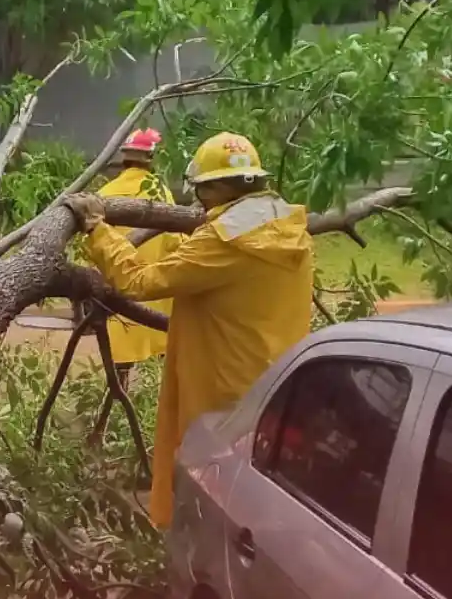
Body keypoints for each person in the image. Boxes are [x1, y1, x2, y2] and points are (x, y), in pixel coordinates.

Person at [65, 132, 314, 529]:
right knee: (257, 493)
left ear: (216, 189)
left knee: (210, 500)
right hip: (277, 390)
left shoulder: (222, 242)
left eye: (201, 190)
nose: (199, 200)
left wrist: (97, 228)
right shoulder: (289, 224)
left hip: (221, 398)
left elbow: (140, 280)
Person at [87, 128, 185, 441]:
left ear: (123, 159)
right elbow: (176, 243)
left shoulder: (105, 194)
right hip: (156, 295)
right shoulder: (161, 194)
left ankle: (100, 431)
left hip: (118, 295)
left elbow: (91, 247)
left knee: (119, 367)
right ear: (153, 160)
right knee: (166, 363)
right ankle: (165, 427)